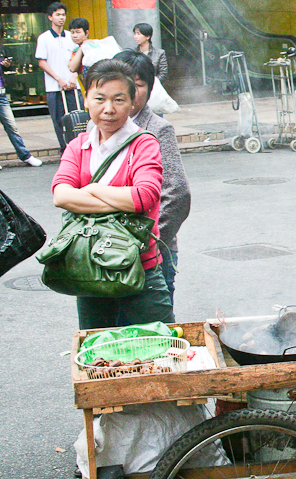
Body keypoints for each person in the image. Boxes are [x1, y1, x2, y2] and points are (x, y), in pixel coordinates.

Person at [51, 59, 172, 328]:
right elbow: (61, 195)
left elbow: (143, 198)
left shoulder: (143, 144)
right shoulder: (77, 146)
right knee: (98, 351)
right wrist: (121, 201)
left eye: (118, 100)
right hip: (90, 268)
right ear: (86, 100)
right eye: (100, 98)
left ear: (132, 102)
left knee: (160, 349)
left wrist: (91, 190)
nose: (109, 109)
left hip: (141, 267)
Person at [113, 50, 191, 304]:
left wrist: (148, 243)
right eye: (124, 85)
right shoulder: (98, 128)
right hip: (108, 252)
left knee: (154, 331)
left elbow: (177, 194)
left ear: (150, 87)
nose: (131, 94)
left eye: (138, 85)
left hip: (149, 254)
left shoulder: (157, 129)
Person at [35, 1, 80, 151]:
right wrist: (59, 79)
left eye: (63, 15)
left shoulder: (71, 36)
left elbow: (79, 57)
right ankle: (65, 150)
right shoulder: (44, 38)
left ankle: (78, 149)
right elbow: (42, 62)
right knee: (59, 121)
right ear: (50, 17)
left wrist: (74, 76)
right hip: (54, 88)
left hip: (73, 86)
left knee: (77, 119)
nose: (61, 18)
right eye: (58, 15)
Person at [0, 25, 40, 167]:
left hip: (1, 94)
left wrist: (6, 65)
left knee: (12, 126)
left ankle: (25, 155)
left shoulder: (1, 48)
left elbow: (8, 68)